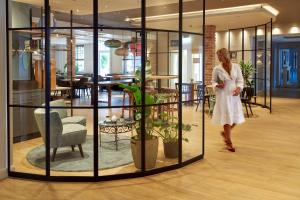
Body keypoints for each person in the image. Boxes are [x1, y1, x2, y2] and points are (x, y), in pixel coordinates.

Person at [211, 48, 245, 152]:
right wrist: (217, 85)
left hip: (234, 96)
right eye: (217, 56)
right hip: (223, 96)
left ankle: (225, 133)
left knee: (235, 117)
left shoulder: (236, 66)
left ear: (225, 55)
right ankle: (229, 142)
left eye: (219, 56)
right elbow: (213, 81)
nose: (218, 58)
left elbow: (240, 80)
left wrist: (239, 88)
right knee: (226, 118)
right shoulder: (216, 69)